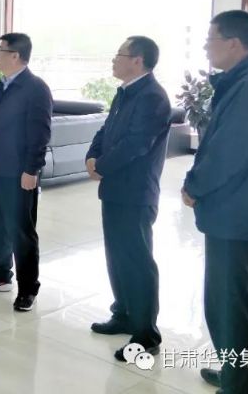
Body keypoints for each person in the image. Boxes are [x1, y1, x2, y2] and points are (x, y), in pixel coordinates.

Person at [183, 11, 248, 394]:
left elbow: (228, 152)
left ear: (233, 43)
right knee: (233, 302)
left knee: (230, 305)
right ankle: (239, 374)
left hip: (239, 213)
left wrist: (195, 185)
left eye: (210, 39)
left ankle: (241, 385)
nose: (206, 47)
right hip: (241, 210)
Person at [85, 36, 171, 362]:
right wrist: (92, 156)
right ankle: (123, 314)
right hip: (115, 189)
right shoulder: (125, 92)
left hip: (136, 192)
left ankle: (146, 333)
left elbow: (136, 144)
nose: (114, 59)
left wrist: (102, 166)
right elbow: (106, 130)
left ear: (137, 60)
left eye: (119, 54)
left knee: (137, 261)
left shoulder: (153, 97)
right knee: (116, 256)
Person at [0, 33, 52, 312]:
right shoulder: (2, 85)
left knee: (21, 231)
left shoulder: (35, 88)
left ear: (15, 55)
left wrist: (32, 169)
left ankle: (28, 287)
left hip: (20, 173)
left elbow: (40, 134)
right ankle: (0, 275)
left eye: (1, 51)